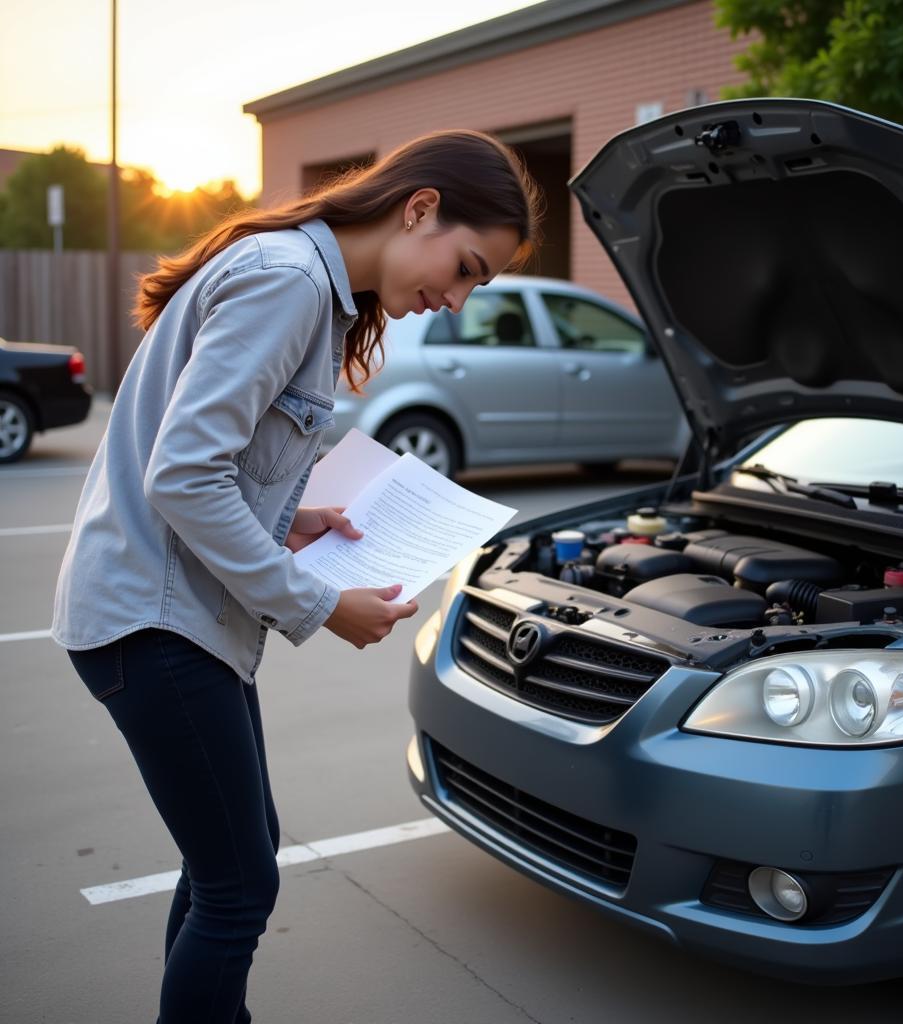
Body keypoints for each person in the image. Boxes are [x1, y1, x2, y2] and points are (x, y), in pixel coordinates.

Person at [51, 129, 541, 1023]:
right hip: (156, 623)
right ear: (420, 207)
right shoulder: (288, 281)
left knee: (230, 867)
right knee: (239, 886)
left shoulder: (299, 278)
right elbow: (182, 474)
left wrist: (296, 517)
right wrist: (319, 603)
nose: (458, 299)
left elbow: (213, 464)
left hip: (168, 619)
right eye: (468, 267)